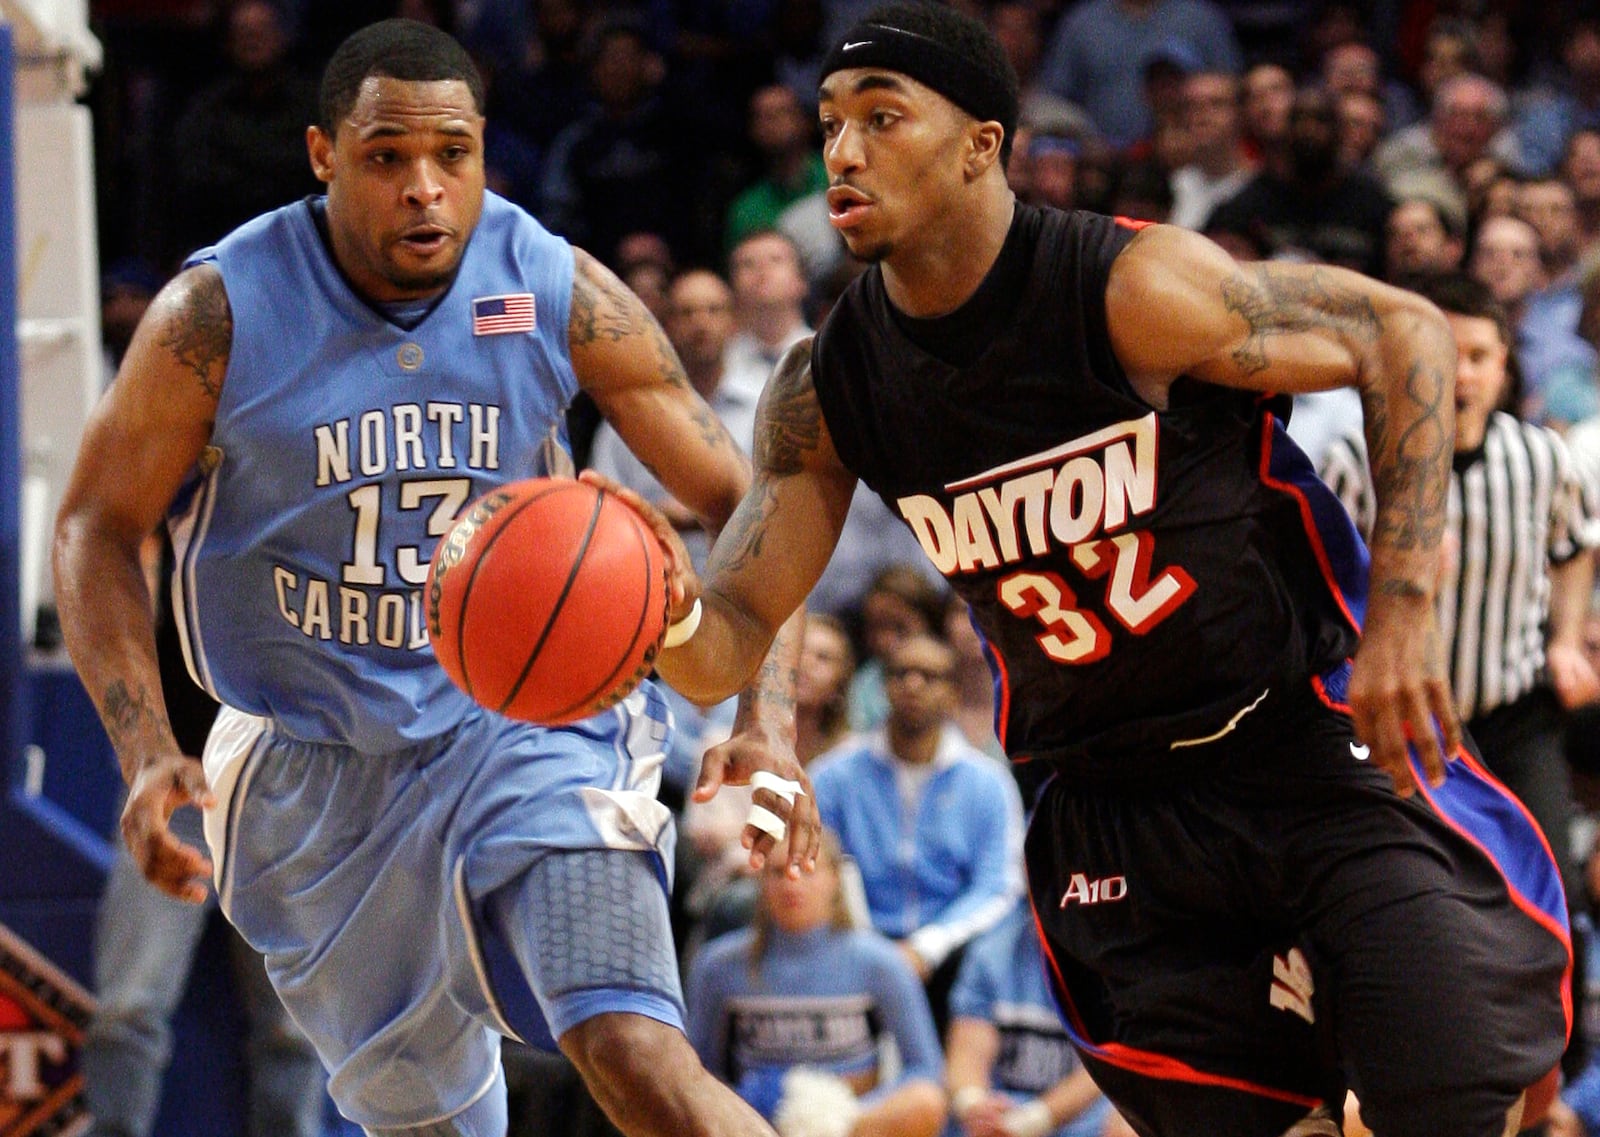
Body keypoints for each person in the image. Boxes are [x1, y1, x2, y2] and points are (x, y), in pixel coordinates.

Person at [607, 5, 1573, 1136]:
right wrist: (647, 606)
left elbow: (1401, 330)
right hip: (1113, 809)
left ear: (982, 142)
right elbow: (733, 624)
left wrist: (1403, 615)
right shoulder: (832, 386)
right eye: (828, 125)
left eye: (881, 118)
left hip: (1293, 741)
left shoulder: (1125, 288)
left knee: (1454, 1095)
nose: (843, 153)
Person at [52, 19, 820, 1137]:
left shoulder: (551, 286)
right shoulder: (217, 313)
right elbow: (93, 526)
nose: (425, 190)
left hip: (533, 722)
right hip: (311, 765)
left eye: (451, 155)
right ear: (323, 154)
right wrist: (142, 749)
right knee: (435, 1128)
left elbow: (749, 501)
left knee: (635, 1052)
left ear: (482, 152)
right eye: (386, 158)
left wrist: (769, 716)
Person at [1317, 272, 1600, 909]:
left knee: (1553, 892)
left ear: (1505, 368)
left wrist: (1565, 639)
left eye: (1479, 358)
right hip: (1393, 715)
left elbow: (1575, 546)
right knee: (1406, 901)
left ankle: (1568, 1012)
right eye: (1445, 355)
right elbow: (1314, 585)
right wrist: (1387, 581)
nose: (1463, 376)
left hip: (1514, 714)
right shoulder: (1353, 461)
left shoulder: (1542, 458)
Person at [82, 531, 327, 1137]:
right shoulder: (185, 441)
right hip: (182, 774)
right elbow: (105, 543)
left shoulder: (331, 455)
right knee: (127, 1009)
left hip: (290, 780)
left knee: (295, 1026)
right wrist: (145, 752)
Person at [810, 634, 1025, 1033]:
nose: (913, 685)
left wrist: (928, 947)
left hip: (949, 947)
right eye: (901, 673)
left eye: (930, 676)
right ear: (883, 686)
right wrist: (871, 945)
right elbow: (821, 865)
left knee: (986, 953)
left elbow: (998, 885)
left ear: (955, 693)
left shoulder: (989, 783)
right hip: (854, 936)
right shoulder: (833, 775)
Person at [685, 830, 946, 1137]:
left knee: (926, 1101)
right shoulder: (717, 966)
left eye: (806, 869)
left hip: (854, 1124)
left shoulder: (881, 963)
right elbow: (697, 1071)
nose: (791, 883)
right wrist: (754, 1109)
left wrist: (837, 1119)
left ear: (836, 878)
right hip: (756, 1124)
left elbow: (926, 1071)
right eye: (777, 872)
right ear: (760, 881)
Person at [944, 901, 1115, 1137]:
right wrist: (974, 1105)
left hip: (1083, 1125)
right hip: (997, 1121)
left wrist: (1034, 1120)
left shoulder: (1115, 963)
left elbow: (1110, 1065)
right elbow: (966, 1054)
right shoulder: (990, 954)